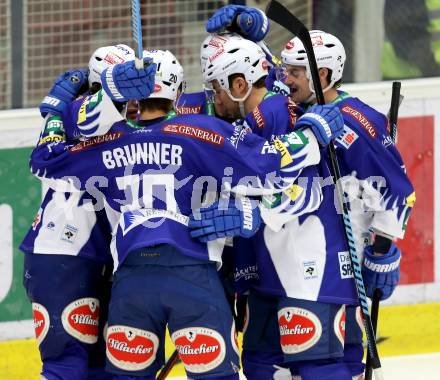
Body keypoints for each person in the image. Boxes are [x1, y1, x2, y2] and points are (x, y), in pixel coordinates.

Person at [27, 47, 344, 379]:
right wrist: (312, 135)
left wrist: (55, 113)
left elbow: (44, 161)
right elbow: (268, 165)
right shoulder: (202, 131)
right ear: (177, 93)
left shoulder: (108, 142)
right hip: (194, 280)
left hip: (131, 286)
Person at [280, 29, 416, 378]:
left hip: (342, 267)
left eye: (295, 72)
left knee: (334, 365)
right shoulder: (293, 111)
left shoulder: (358, 120)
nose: (286, 79)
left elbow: (397, 190)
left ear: (322, 75)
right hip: (302, 263)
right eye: (285, 70)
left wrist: (382, 252)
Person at [20, 44, 139, 380]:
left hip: (100, 259)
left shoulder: (118, 124)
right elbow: (90, 116)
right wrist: (59, 104)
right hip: (64, 256)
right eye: (125, 87)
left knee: (101, 368)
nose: (134, 100)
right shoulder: (78, 113)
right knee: (66, 367)